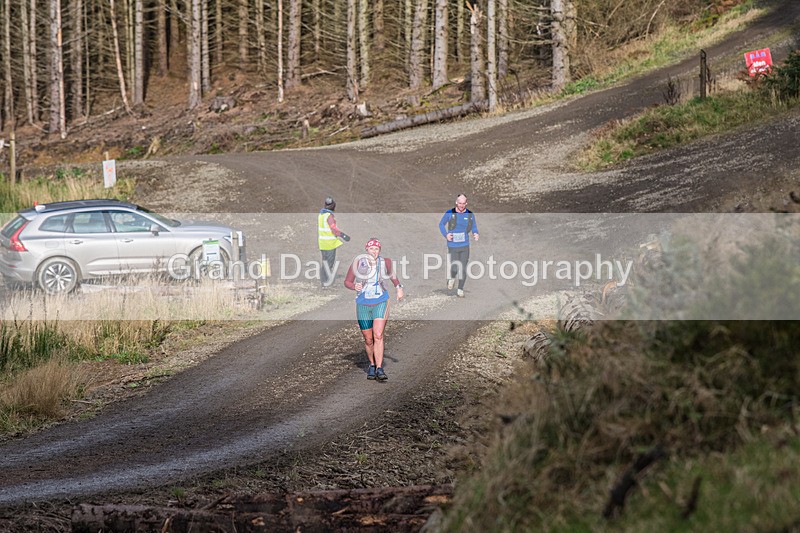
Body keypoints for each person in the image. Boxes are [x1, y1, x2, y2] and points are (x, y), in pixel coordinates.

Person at [344, 238, 404, 381]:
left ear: (379, 250)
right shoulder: (358, 262)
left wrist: (399, 288)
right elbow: (347, 281)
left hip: (381, 301)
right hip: (363, 302)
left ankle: (379, 368)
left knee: (378, 335)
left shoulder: (385, 262)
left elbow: (393, 276)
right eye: (371, 249)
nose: (374, 251)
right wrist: (354, 287)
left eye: (377, 249)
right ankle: (372, 364)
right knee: (368, 339)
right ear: (367, 249)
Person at [438, 193, 479, 297]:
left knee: (463, 268)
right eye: (459, 203)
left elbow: (474, 226)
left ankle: (460, 289)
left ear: (466, 203)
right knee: (455, 267)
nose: (461, 205)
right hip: (452, 245)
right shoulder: (450, 213)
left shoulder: (470, 214)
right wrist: (446, 235)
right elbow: (441, 224)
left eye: (463, 203)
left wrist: (475, 233)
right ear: (456, 202)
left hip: (465, 245)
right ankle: (451, 277)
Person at [317, 196, 350, 287]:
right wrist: (343, 235)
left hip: (322, 243)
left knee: (325, 262)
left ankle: (324, 281)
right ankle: (325, 283)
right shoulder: (329, 216)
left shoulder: (321, 215)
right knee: (329, 263)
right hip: (329, 244)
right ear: (333, 206)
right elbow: (333, 229)